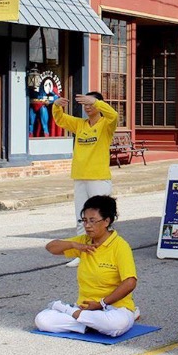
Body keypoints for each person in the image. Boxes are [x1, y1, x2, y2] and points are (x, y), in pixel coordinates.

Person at [35, 195, 139, 337]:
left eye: (92, 221)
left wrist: (101, 304)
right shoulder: (84, 241)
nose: (87, 225)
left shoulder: (120, 246)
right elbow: (51, 247)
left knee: (116, 325)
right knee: (43, 321)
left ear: (106, 221)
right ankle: (90, 322)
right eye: (84, 220)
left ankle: (71, 312)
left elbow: (130, 282)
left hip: (115, 308)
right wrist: (73, 244)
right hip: (85, 308)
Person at [53, 91, 119, 267]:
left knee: (101, 218)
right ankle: (82, 253)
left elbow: (114, 115)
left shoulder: (106, 124)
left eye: (91, 104)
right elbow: (60, 120)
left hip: (98, 178)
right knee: (82, 217)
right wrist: (57, 106)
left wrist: (96, 102)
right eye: (86, 105)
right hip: (80, 176)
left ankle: (106, 252)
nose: (88, 108)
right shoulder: (80, 124)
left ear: (98, 105)